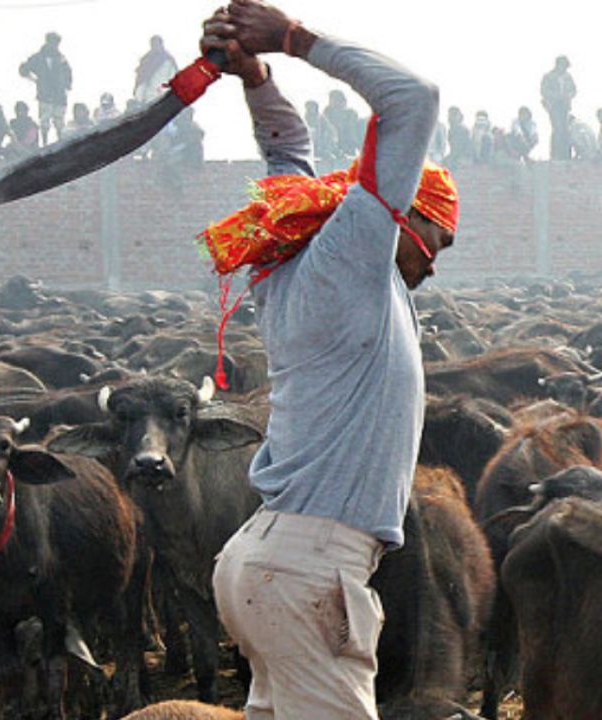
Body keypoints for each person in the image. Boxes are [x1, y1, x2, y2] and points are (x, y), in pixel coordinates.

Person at [201, 1, 458, 718]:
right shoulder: (352, 258)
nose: (434, 266)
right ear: (398, 215)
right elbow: (413, 100)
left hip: (268, 560)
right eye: (436, 242)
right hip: (311, 571)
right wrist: (292, 40)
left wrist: (257, 80)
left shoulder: (301, 257)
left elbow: (289, 160)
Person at [19, 31, 72, 145]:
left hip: (59, 94)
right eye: (52, 42)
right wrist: (34, 80)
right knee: (45, 120)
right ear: (47, 42)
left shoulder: (61, 58)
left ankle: (60, 142)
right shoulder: (37, 58)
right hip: (45, 93)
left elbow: (68, 73)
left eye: (56, 43)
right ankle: (45, 143)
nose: (54, 45)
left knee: (59, 121)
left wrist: (66, 85)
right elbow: (23, 69)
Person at [540, 54, 576, 160]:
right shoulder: (548, 76)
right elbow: (544, 91)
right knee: (557, 129)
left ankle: (566, 154)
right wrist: (556, 96)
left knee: (565, 129)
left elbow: (574, 90)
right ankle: (555, 154)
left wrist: (568, 96)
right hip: (554, 106)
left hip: (565, 105)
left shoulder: (568, 77)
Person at [134, 35, 179, 103]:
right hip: (148, 90)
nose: (155, 46)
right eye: (153, 44)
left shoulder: (168, 60)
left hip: (162, 89)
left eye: (157, 43)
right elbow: (141, 76)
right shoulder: (147, 59)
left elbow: (174, 76)